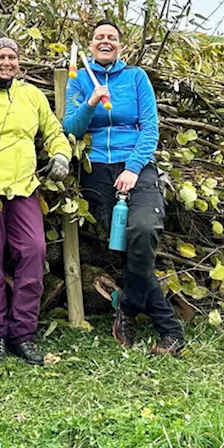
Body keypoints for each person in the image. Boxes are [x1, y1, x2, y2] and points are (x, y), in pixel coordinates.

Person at [63, 19, 185, 356]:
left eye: (112, 38)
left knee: (143, 231)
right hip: (97, 169)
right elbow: (69, 128)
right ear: (90, 45)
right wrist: (90, 103)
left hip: (138, 166)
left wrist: (132, 168)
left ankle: (130, 309)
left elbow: (150, 128)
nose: (105, 41)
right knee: (125, 242)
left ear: (120, 45)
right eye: (99, 37)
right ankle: (168, 330)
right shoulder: (79, 80)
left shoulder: (136, 78)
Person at [0, 37, 72, 366]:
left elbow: (53, 131)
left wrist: (61, 155)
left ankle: (23, 333)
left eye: (12, 57)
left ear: (19, 63)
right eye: (0, 57)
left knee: (34, 252)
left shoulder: (31, 95)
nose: (6, 62)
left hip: (24, 187)